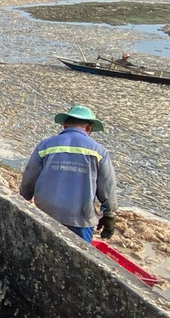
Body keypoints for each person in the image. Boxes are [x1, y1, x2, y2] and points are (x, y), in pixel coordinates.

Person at [18, 104, 117, 243]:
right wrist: (109, 215)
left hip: (45, 214)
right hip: (80, 219)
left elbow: (29, 178)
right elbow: (107, 186)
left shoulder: (45, 146)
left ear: (65, 124)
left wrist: (23, 199)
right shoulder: (99, 151)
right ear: (89, 128)